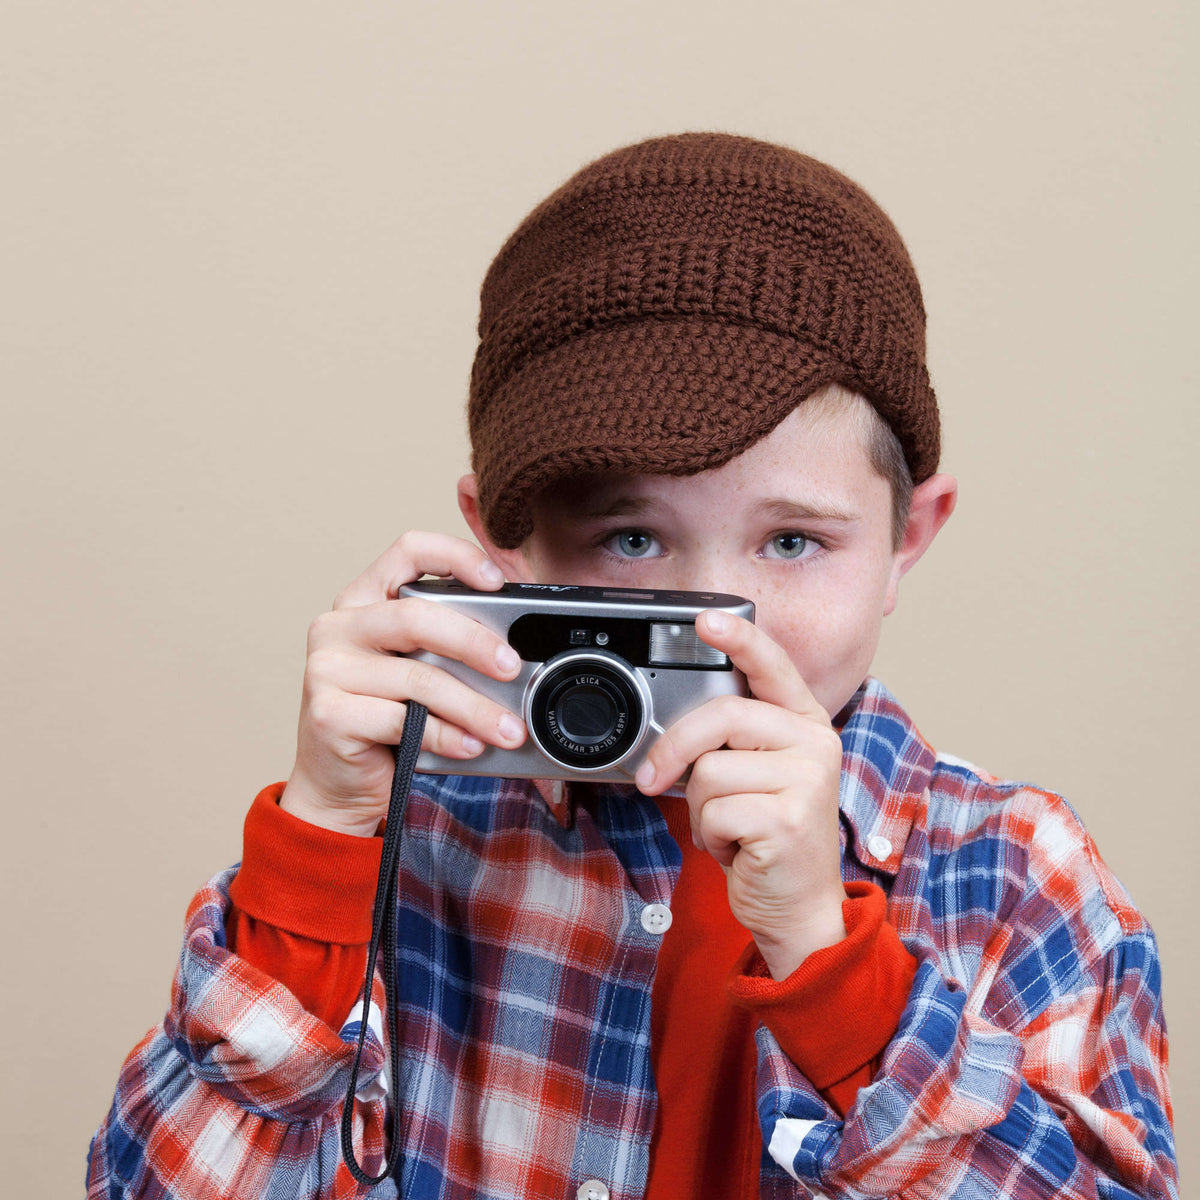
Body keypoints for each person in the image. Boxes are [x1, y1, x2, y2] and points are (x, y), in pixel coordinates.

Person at [87, 133, 1177, 1199]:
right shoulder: (403, 848)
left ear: (908, 538)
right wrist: (317, 848)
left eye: (792, 541)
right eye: (632, 540)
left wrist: (832, 969)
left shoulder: (1018, 881)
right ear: (502, 544)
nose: (714, 619)